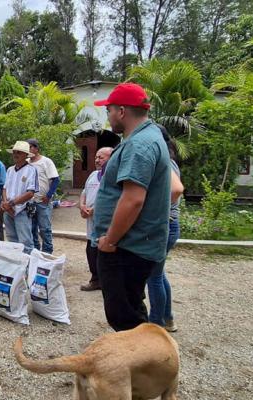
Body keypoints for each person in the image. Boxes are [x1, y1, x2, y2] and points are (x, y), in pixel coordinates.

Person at [92, 83, 172, 332]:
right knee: (131, 309)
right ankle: (141, 361)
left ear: (122, 111)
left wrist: (110, 240)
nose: (109, 115)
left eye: (110, 110)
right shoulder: (144, 138)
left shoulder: (140, 145)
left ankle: (141, 365)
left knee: (124, 317)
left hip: (126, 247)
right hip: (131, 245)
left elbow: (133, 198)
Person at [147, 132, 184, 332]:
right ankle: (167, 319)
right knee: (158, 274)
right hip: (169, 224)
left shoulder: (166, 163)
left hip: (165, 224)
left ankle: (156, 325)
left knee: (153, 277)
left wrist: (156, 209)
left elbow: (177, 190)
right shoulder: (168, 160)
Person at [79, 147, 113, 291]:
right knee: (91, 252)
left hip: (105, 223)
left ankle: (107, 283)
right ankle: (95, 280)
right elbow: (84, 192)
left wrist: (95, 210)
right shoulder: (93, 175)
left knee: (104, 253)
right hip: (90, 222)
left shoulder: (113, 177)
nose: (97, 160)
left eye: (102, 158)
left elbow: (113, 199)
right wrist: (82, 206)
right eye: (96, 157)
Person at [1, 141, 38, 252]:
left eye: (19, 153)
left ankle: (27, 267)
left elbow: (30, 193)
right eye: (14, 152)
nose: (16, 155)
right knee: (11, 239)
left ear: (26, 155)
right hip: (9, 209)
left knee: (25, 241)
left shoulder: (31, 170)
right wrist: (5, 203)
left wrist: (10, 204)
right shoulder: (10, 170)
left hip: (22, 209)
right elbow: (4, 188)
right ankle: (15, 265)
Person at [27, 139, 59, 254]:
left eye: (30, 147)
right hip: (30, 202)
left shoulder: (46, 161)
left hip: (43, 201)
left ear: (36, 148)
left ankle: (47, 253)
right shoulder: (26, 162)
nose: (28, 150)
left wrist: (49, 195)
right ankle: (35, 252)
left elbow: (55, 179)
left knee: (45, 229)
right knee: (32, 228)